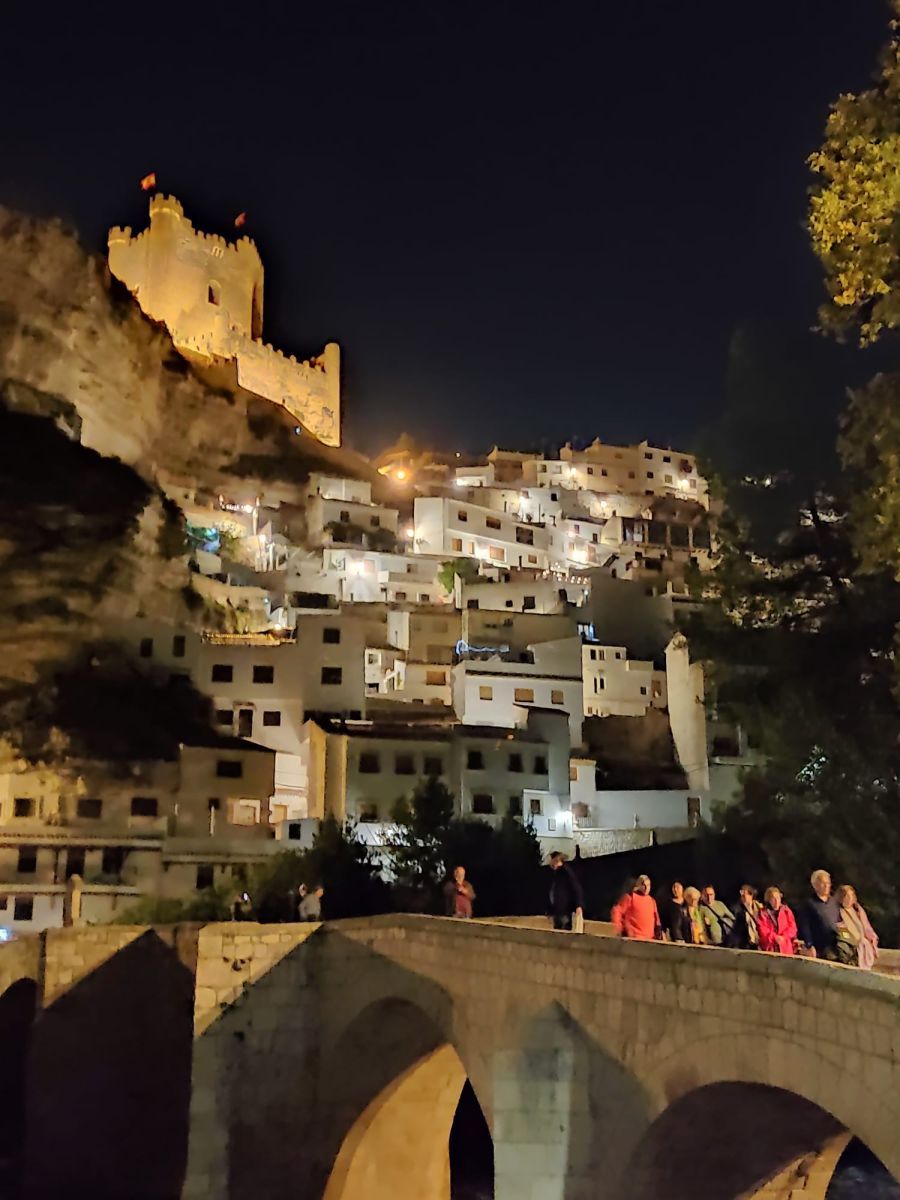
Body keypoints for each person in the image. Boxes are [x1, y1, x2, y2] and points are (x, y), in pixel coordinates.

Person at [796, 869, 840, 960]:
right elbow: (805, 926)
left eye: (828, 883)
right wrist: (809, 945)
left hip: (836, 945)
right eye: (823, 883)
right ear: (815, 885)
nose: (826, 886)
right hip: (820, 948)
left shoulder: (833, 902)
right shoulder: (809, 904)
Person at [835, 884, 879, 969]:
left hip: (862, 944)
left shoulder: (858, 910)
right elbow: (842, 931)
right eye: (847, 896)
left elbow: (867, 928)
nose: (849, 898)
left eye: (851, 896)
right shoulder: (838, 912)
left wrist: (870, 940)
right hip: (849, 945)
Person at [612, 875, 662, 941]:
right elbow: (617, 911)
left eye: (648, 885)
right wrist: (620, 928)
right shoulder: (630, 897)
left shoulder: (652, 901)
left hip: (649, 940)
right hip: (634, 939)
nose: (646, 888)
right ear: (639, 885)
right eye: (644, 885)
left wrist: (658, 931)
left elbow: (657, 919)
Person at [548, 851, 584, 931]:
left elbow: (576, 888)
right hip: (558, 911)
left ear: (556, 860)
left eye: (552, 861)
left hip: (565, 910)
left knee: (564, 932)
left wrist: (578, 905)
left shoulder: (566, 872)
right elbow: (553, 892)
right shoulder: (556, 874)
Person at [757, 887, 798, 955]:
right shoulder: (763, 913)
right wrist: (774, 937)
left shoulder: (786, 911)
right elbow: (762, 929)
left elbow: (793, 928)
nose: (776, 901)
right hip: (770, 949)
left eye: (778, 898)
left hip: (785, 948)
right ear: (768, 900)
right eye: (773, 898)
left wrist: (783, 937)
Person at [728, 884, 762, 949]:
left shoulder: (759, 908)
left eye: (744, 894)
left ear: (751, 895)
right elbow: (736, 930)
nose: (742, 896)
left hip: (759, 942)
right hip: (746, 944)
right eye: (741, 894)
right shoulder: (738, 910)